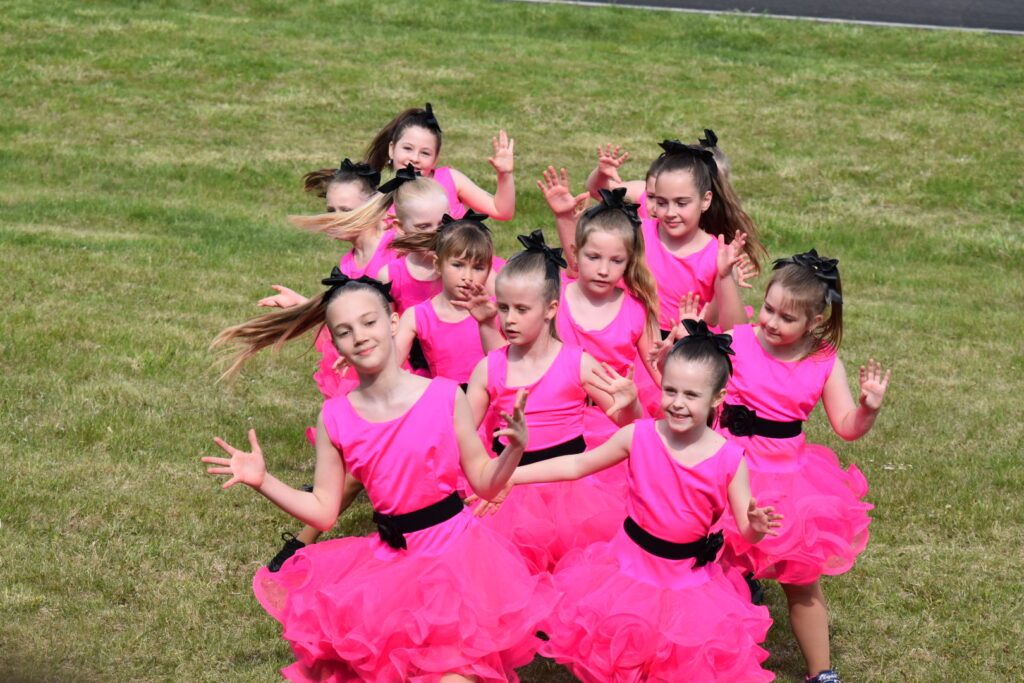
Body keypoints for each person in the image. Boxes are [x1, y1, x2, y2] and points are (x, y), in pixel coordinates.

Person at [204, 273, 553, 682]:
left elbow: (485, 482)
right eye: (345, 331)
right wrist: (263, 480)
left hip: (456, 559)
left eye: (369, 322)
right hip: (392, 566)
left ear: (392, 322)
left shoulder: (444, 395)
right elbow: (323, 511)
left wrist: (513, 450)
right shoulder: (336, 416)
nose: (360, 336)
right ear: (336, 345)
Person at [508, 320, 781, 682]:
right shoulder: (639, 436)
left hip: (687, 584)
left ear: (717, 398)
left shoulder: (730, 459)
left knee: (676, 666)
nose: (678, 403)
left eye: (691, 395)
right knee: (621, 662)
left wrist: (756, 528)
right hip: (629, 570)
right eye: (670, 390)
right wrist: (510, 476)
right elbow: (576, 465)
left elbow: (745, 529)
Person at [711, 248, 890, 683]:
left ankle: (821, 672)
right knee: (716, 570)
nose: (771, 322)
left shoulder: (823, 361)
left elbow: (846, 426)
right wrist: (722, 279)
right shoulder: (739, 340)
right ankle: (717, 661)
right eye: (768, 308)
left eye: (786, 318)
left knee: (802, 580)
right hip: (729, 469)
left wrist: (868, 410)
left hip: (789, 482)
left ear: (814, 322)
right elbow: (717, 337)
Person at [462, 230, 643, 573]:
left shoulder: (578, 363)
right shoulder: (489, 368)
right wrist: (486, 478)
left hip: (571, 489)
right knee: (506, 573)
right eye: (503, 308)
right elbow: (462, 437)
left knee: (576, 573)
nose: (509, 319)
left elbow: (633, 428)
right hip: (507, 487)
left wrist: (631, 403)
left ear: (550, 309)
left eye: (521, 309)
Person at [391, 213, 498, 386]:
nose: (468, 277)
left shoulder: (496, 310)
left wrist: (489, 323)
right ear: (437, 265)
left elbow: (508, 366)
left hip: (492, 399)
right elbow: (390, 367)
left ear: (489, 269)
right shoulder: (418, 316)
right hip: (447, 400)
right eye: (458, 265)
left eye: (478, 268)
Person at [365, 102, 516, 220]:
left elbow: (502, 211)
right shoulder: (381, 201)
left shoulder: (451, 180)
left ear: (436, 158)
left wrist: (505, 174)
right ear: (392, 150)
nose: (415, 158)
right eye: (408, 148)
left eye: (425, 153)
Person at [584, 129, 730, 220]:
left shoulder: (710, 224)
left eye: (680, 202)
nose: (656, 206)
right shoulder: (641, 194)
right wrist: (601, 174)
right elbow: (598, 191)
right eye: (653, 197)